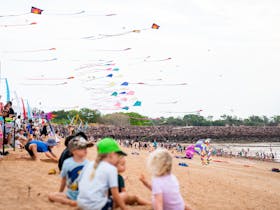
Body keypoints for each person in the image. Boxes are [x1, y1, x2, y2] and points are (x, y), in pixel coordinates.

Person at [77, 137, 128, 210]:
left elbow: (79, 182)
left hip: (81, 203)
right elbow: (115, 195)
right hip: (98, 207)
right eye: (117, 155)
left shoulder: (89, 164)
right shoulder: (112, 169)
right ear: (111, 154)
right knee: (124, 195)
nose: (118, 158)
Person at [48, 137, 92, 206]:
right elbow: (64, 180)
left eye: (86, 148)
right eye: (82, 148)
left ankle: (76, 202)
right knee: (51, 196)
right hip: (70, 194)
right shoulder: (67, 163)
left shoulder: (88, 164)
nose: (85, 150)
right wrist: (60, 192)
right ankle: (71, 202)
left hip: (84, 194)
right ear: (73, 150)